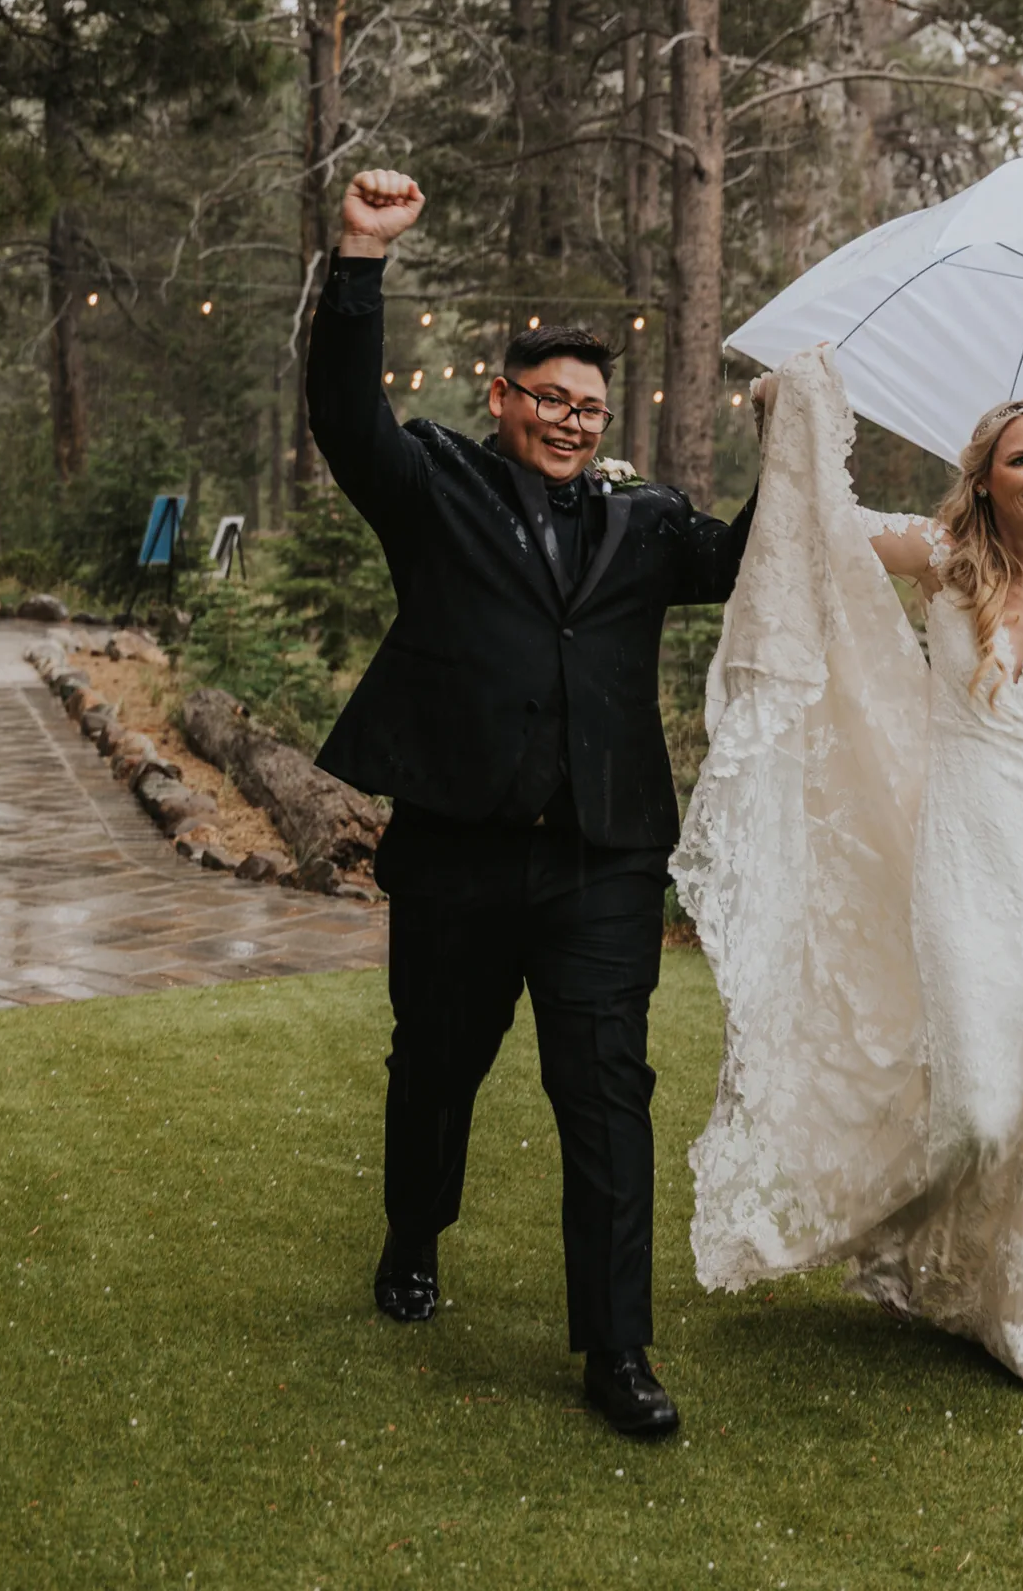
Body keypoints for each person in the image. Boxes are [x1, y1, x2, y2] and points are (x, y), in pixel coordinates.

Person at [306, 167, 756, 1439]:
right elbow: (344, 416)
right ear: (500, 398)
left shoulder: (648, 518)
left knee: (608, 1093)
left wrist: (806, 434)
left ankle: (617, 1353)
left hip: (603, 861)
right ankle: (412, 1235)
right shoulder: (434, 485)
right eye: (548, 398)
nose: (569, 419)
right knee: (436, 1066)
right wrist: (359, 260)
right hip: (454, 850)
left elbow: (751, 560)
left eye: (590, 406)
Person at [673, 346, 1023, 1411]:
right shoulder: (943, 559)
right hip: (967, 853)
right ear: (985, 474)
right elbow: (816, 527)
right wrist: (788, 421)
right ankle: (920, 1252)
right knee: (978, 1109)